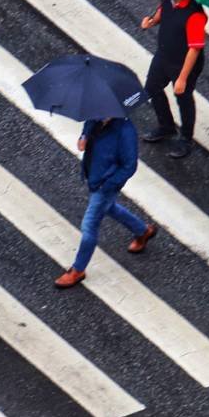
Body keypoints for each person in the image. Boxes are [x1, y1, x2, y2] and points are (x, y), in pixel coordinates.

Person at [55, 117, 158, 289]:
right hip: (94, 176)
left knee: (89, 225)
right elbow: (88, 125)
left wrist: (108, 184)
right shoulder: (97, 117)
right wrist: (84, 137)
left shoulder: (125, 131)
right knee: (109, 208)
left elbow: (129, 166)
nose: (98, 114)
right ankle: (143, 230)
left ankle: (78, 270)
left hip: (105, 185)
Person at [139, 0, 208, 159]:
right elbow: (163, 11)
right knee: (152, 88)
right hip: (164, 56)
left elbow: (194, 49)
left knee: (183, 98)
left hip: (183, 64)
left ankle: (186, 138)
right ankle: (166, 126)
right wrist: (152, 22)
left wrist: (182, 78)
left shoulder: (195, 16)